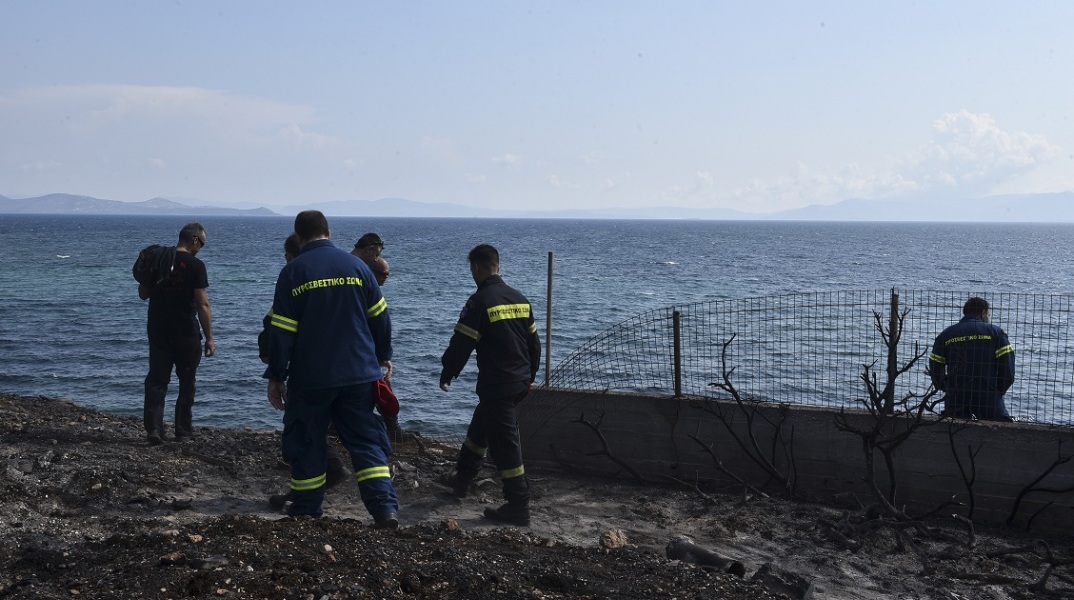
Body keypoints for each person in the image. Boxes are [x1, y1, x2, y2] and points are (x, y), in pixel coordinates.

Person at [264, 211, 398, 527]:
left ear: (299, 237)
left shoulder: (293, 272)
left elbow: (281, 332)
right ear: (329, 231)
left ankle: (306, 510)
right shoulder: (357, 268)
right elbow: (381, 317)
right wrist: (383, 356)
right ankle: (385, 510)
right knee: (366, 442)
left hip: (312, 377)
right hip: (359, 374)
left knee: (308, 440)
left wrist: (276, 375)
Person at [439, 244, 541, 527]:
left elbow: (462, 344)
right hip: (519, 381)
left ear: (476, 268)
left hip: (498, 384)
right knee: (481, 427)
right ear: (498, 266)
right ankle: (462, 478)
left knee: (505, 444)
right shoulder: (520, 299)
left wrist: (448, 372)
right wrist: (530, 377)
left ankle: (518, 505)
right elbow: (534, 345)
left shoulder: (480, 302)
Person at [260, 233, 349, 509]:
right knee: (336, 428)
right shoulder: (340, 275)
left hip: (310, 369)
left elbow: (277, 325)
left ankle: (307, 493)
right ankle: (379, 501)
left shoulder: (294, 278)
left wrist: (275, 370)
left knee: (302, 431)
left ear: (291, 256)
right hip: (348, 366)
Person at [139, 222, 215, 445]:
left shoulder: (160, 260)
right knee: (187, 382)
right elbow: (203, 304)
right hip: (186, 331)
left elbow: (143, 294)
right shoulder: (196, 266)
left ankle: (154, 429)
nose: (201, 248)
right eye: (202, 244)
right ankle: (183, 430)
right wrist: (209, 337)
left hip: (158, 329)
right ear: (194, 240)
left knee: (157, 380)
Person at [929, 297, 1015, 421]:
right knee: (1001, 427)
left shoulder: (946, 335)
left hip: (956, 395)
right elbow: (1008, 370)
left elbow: (935, 368)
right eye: (988, 314)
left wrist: (947, 387)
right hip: (988, 394)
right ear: (983, 312)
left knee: (954, 428)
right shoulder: (996, 333)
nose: (988, 318)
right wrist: (997, 390)